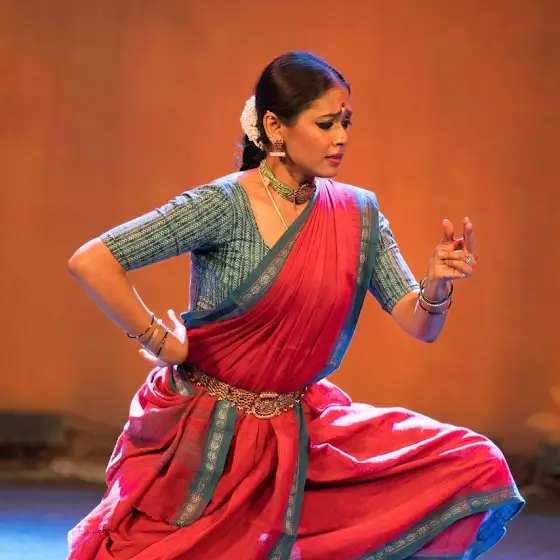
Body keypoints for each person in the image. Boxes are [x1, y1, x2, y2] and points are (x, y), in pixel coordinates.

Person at [67, 51, 524, 560]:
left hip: (296, 433)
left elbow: (419, 324)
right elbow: (94, 260)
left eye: (346, 123)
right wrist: (160, 341)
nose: (341, 137)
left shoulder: (357, 213)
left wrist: (436, 286)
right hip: (208, 439)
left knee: (471, 461)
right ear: (274, 127)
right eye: (326, 124)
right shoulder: (223, 205)